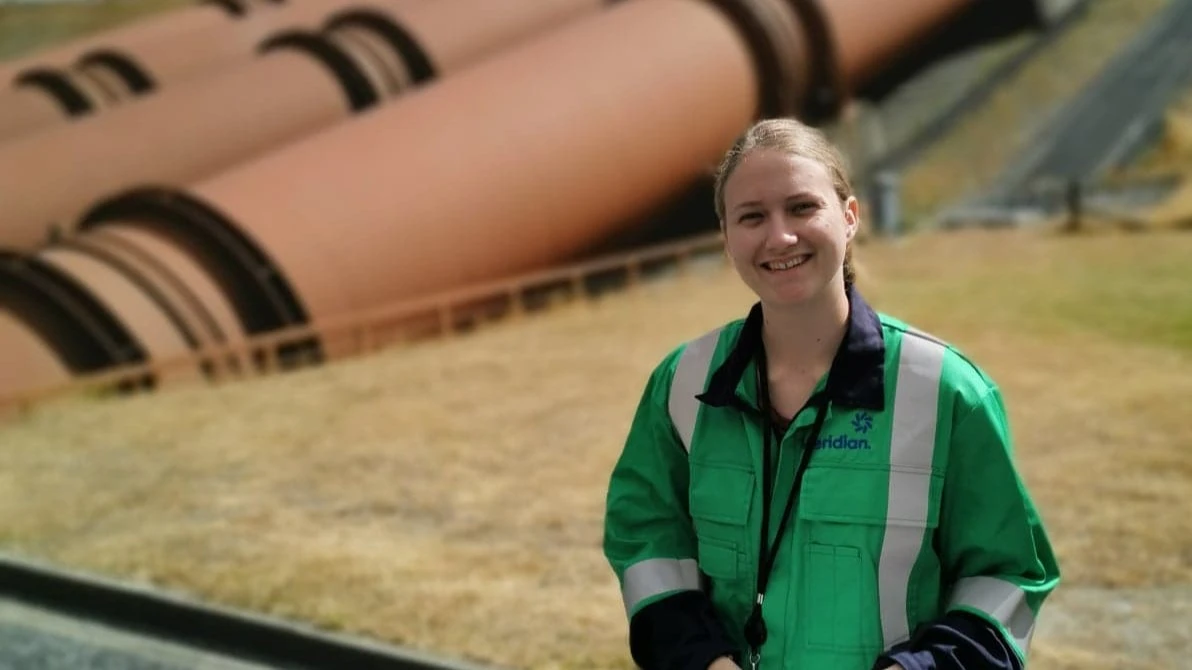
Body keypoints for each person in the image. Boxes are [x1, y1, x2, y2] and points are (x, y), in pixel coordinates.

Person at [601, 117, 1060, 670]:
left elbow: (1006, 576)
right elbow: (648, 542)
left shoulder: (948, 392)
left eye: (801, 208)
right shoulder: (682, 385)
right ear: (726, 237)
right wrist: (704, 662)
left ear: (849, 217)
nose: (780, 237)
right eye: (752, 216)